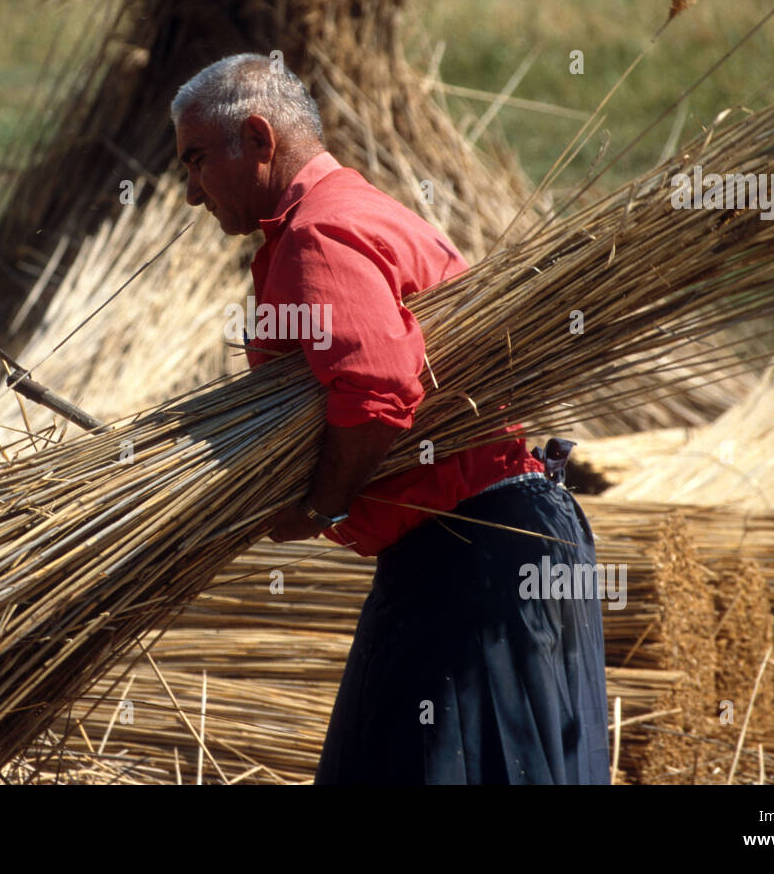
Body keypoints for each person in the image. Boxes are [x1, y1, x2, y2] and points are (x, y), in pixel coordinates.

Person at [170, 53, 610, 785]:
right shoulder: (364, 210)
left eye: (194, 160)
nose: (190, 192)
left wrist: (321, 505)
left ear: (256, 137)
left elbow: (376, 390)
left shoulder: (320, 234)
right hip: (496, 544)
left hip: (473, 556)